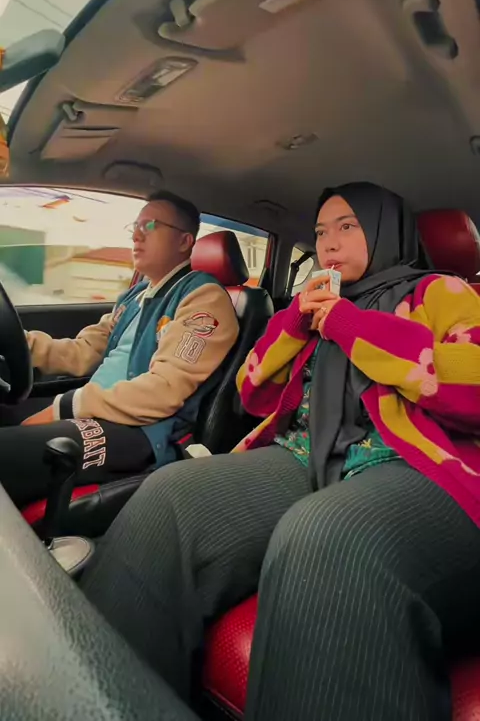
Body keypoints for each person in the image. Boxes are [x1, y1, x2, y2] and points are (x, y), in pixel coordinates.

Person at [80, 182, 480, 721]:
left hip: (414, 461)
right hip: (305, 453)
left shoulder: (442, 292)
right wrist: (295, 322)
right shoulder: (315, 309)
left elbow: (470, 384)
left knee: (329, 533)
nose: (328, 243)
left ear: (386, 230)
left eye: (347, 227)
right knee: (169, 496)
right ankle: (97, 701)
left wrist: (350, 324)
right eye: (320, 232)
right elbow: (251, 392)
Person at [0, 190, 239, 507]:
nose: (137, 235)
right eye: (135, 226)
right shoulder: (133, 298)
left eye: (150, 226)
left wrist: (67, 407)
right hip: (99, 411)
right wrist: (18, 342)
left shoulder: (203, 300)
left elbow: (163, 392)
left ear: (184, 241)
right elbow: (82, 351)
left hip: (142, 430)